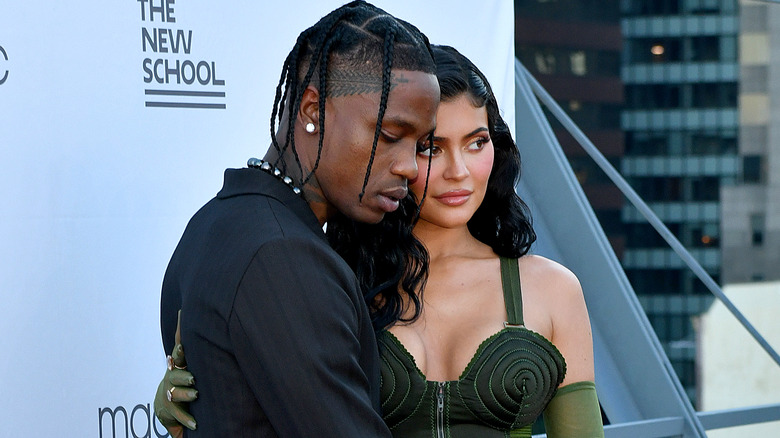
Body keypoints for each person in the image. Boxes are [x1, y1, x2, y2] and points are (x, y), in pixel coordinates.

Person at [157, 45, 605, 437]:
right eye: (431, 148)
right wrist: (185, 397)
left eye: (476, 142)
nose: (458, 171)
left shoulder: (552, 289)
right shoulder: (334, 275)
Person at [154, 1, 440, 436]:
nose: (410, 167)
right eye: (388, 136)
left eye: (420, 144)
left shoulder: (216, 220)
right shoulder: (281, 257)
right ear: (312, 111)